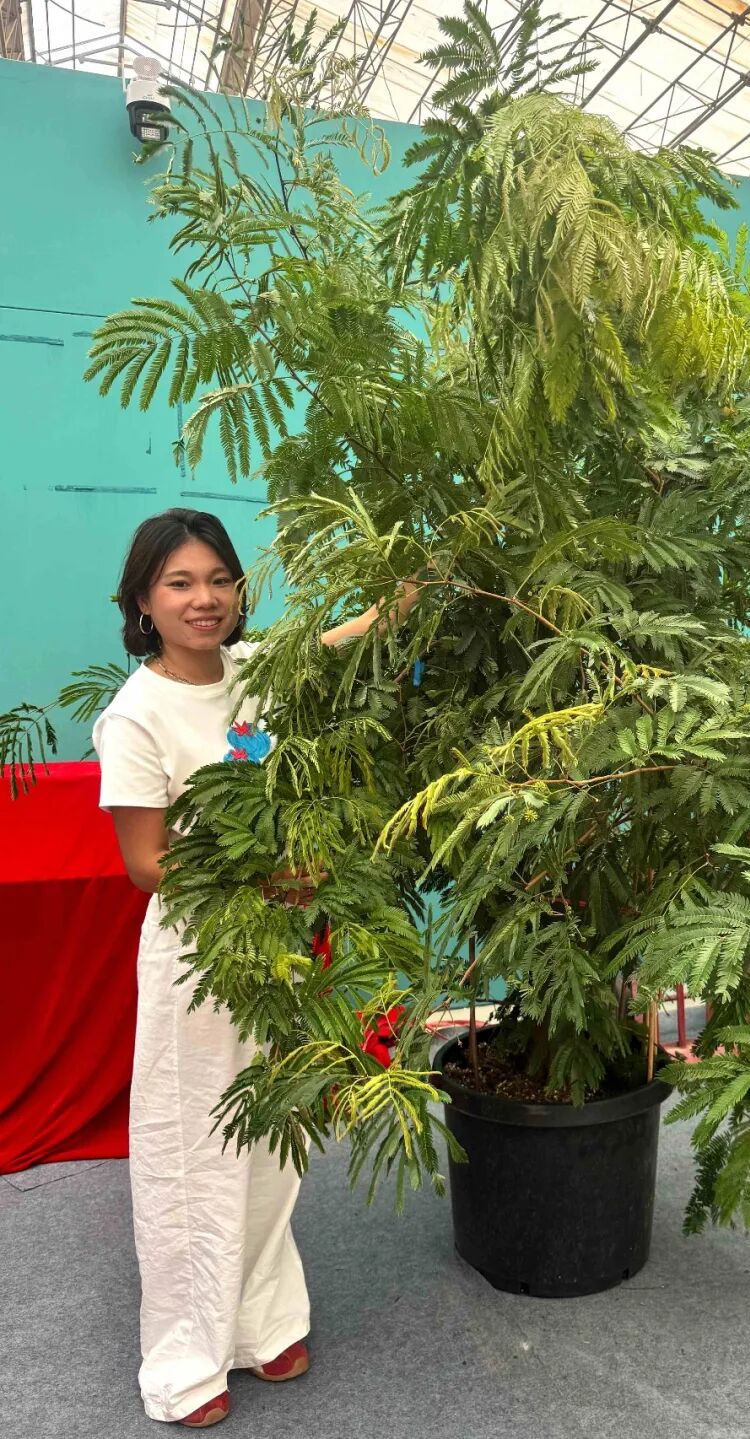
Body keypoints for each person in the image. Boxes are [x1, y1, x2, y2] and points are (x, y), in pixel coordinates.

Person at [92, 508, 420, 1428]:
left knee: (274, 1135)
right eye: (179, 583)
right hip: (203, 953)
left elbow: (335, 642)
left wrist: (410, 588)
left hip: (283, 946)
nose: (204, 599)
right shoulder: (136, 713)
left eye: (218, 580)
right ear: (143, 601)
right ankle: (184, 1355)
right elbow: (145, 863)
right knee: (194, 1150)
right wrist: (267, 875)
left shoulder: (254, 670)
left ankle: (262, 1318)